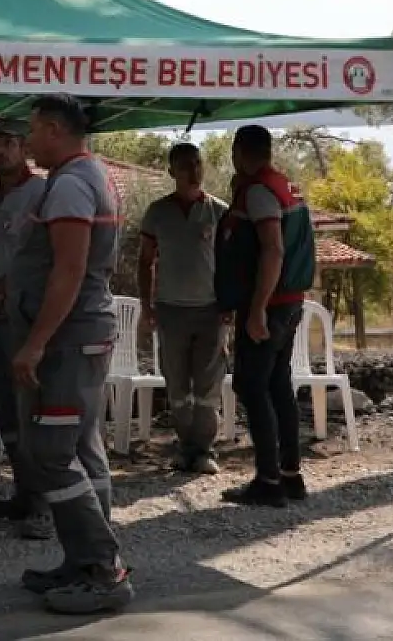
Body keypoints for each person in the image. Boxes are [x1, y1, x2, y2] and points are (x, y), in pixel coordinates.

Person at [10, 94, 133, 615]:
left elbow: (69, 270)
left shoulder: (70, 184)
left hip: (69, 335)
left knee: (54, 453)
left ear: (56, 130)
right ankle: (81, 562)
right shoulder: (94, 174)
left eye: (33, 132)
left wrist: (35, 342)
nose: (28, 142)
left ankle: (104, 571)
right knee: (83, 449)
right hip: (82, 330)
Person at [217, 125, 317, 509]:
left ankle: (269, 479)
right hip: (289, 301)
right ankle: (290, 476)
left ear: (239, 152)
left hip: (271, 304)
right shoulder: (285, 185)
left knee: (251, 384)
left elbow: (273, 250)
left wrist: (256, 308)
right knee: (277, 384)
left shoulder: (259, 191)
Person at [0, 117, 51, 534]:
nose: (0, 151)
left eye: (8, 143)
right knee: (5, 403)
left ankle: (45, 500)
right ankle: (23, 490)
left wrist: (7, 286)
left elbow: (46, 256)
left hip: (26, 315)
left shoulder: (42, 193)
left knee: (32, 404)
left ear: (23, 147)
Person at [138, 143, 231, 475]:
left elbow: (232, 263)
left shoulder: (220, 212)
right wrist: (145, 306)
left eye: (197, 164)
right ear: (171, 171)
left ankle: (204, 450)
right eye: (184, 166)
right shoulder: (157, 212)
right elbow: (146, 261)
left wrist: (230, 304)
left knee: (208, 386)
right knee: (177, 384)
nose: (193, 171)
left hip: (211, 311)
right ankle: (184, 447)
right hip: (170, 311)